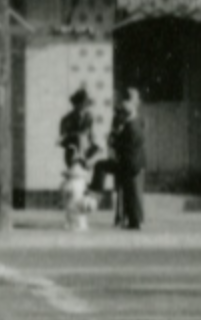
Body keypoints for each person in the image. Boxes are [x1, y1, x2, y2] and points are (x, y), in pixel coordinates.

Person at [58, 87, 102, 230]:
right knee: (74, 186)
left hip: (86, 154)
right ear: (75, 105)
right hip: (72, 154)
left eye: (85, 105)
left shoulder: (89, 118)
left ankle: (80, 218)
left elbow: (93, 136)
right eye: (81, 105)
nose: (83, 108)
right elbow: (61, 139)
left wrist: (92, 152)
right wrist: (72, 141)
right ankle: (71, 219)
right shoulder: (66, 119)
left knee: (82, 186)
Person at [109, 87, 148, 230]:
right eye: (132, 98)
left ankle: (135, 219)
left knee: (134, 189)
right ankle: (124, 217)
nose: (136, 101)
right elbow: (113, 135)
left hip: (133, 158)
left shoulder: (137, 118)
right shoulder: (120, 116)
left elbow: (135, 139)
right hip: (126, 157)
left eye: (135, 98)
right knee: (125, 189)